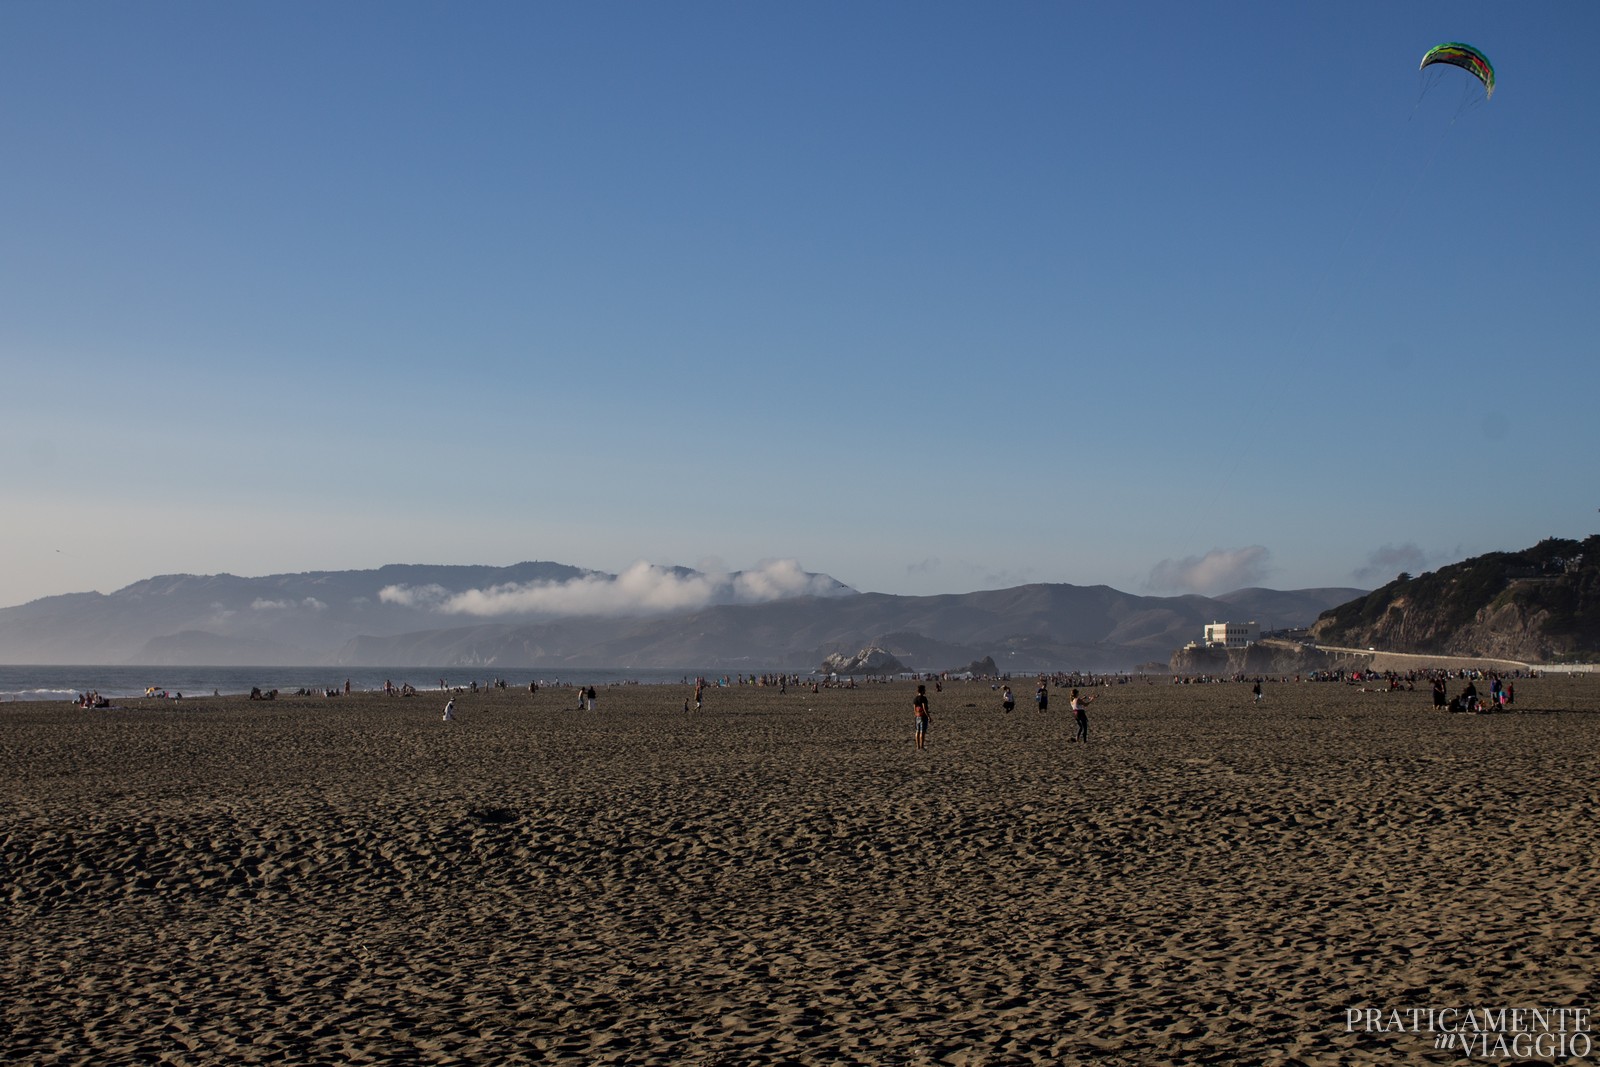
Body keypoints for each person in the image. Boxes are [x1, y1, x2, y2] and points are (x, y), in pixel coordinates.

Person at [913, 684, 930, 750]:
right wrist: (928, 716)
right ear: (922, 690)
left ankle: (918, 746)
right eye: (924, 689)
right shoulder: (923, 698)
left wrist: (916, 714)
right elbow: (924, 708)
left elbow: (914, 709)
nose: (925, 690)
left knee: (917, 731)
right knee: (922, 732)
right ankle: (922, 746)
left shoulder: (915, 698)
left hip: (917, 716)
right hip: (923, 716)